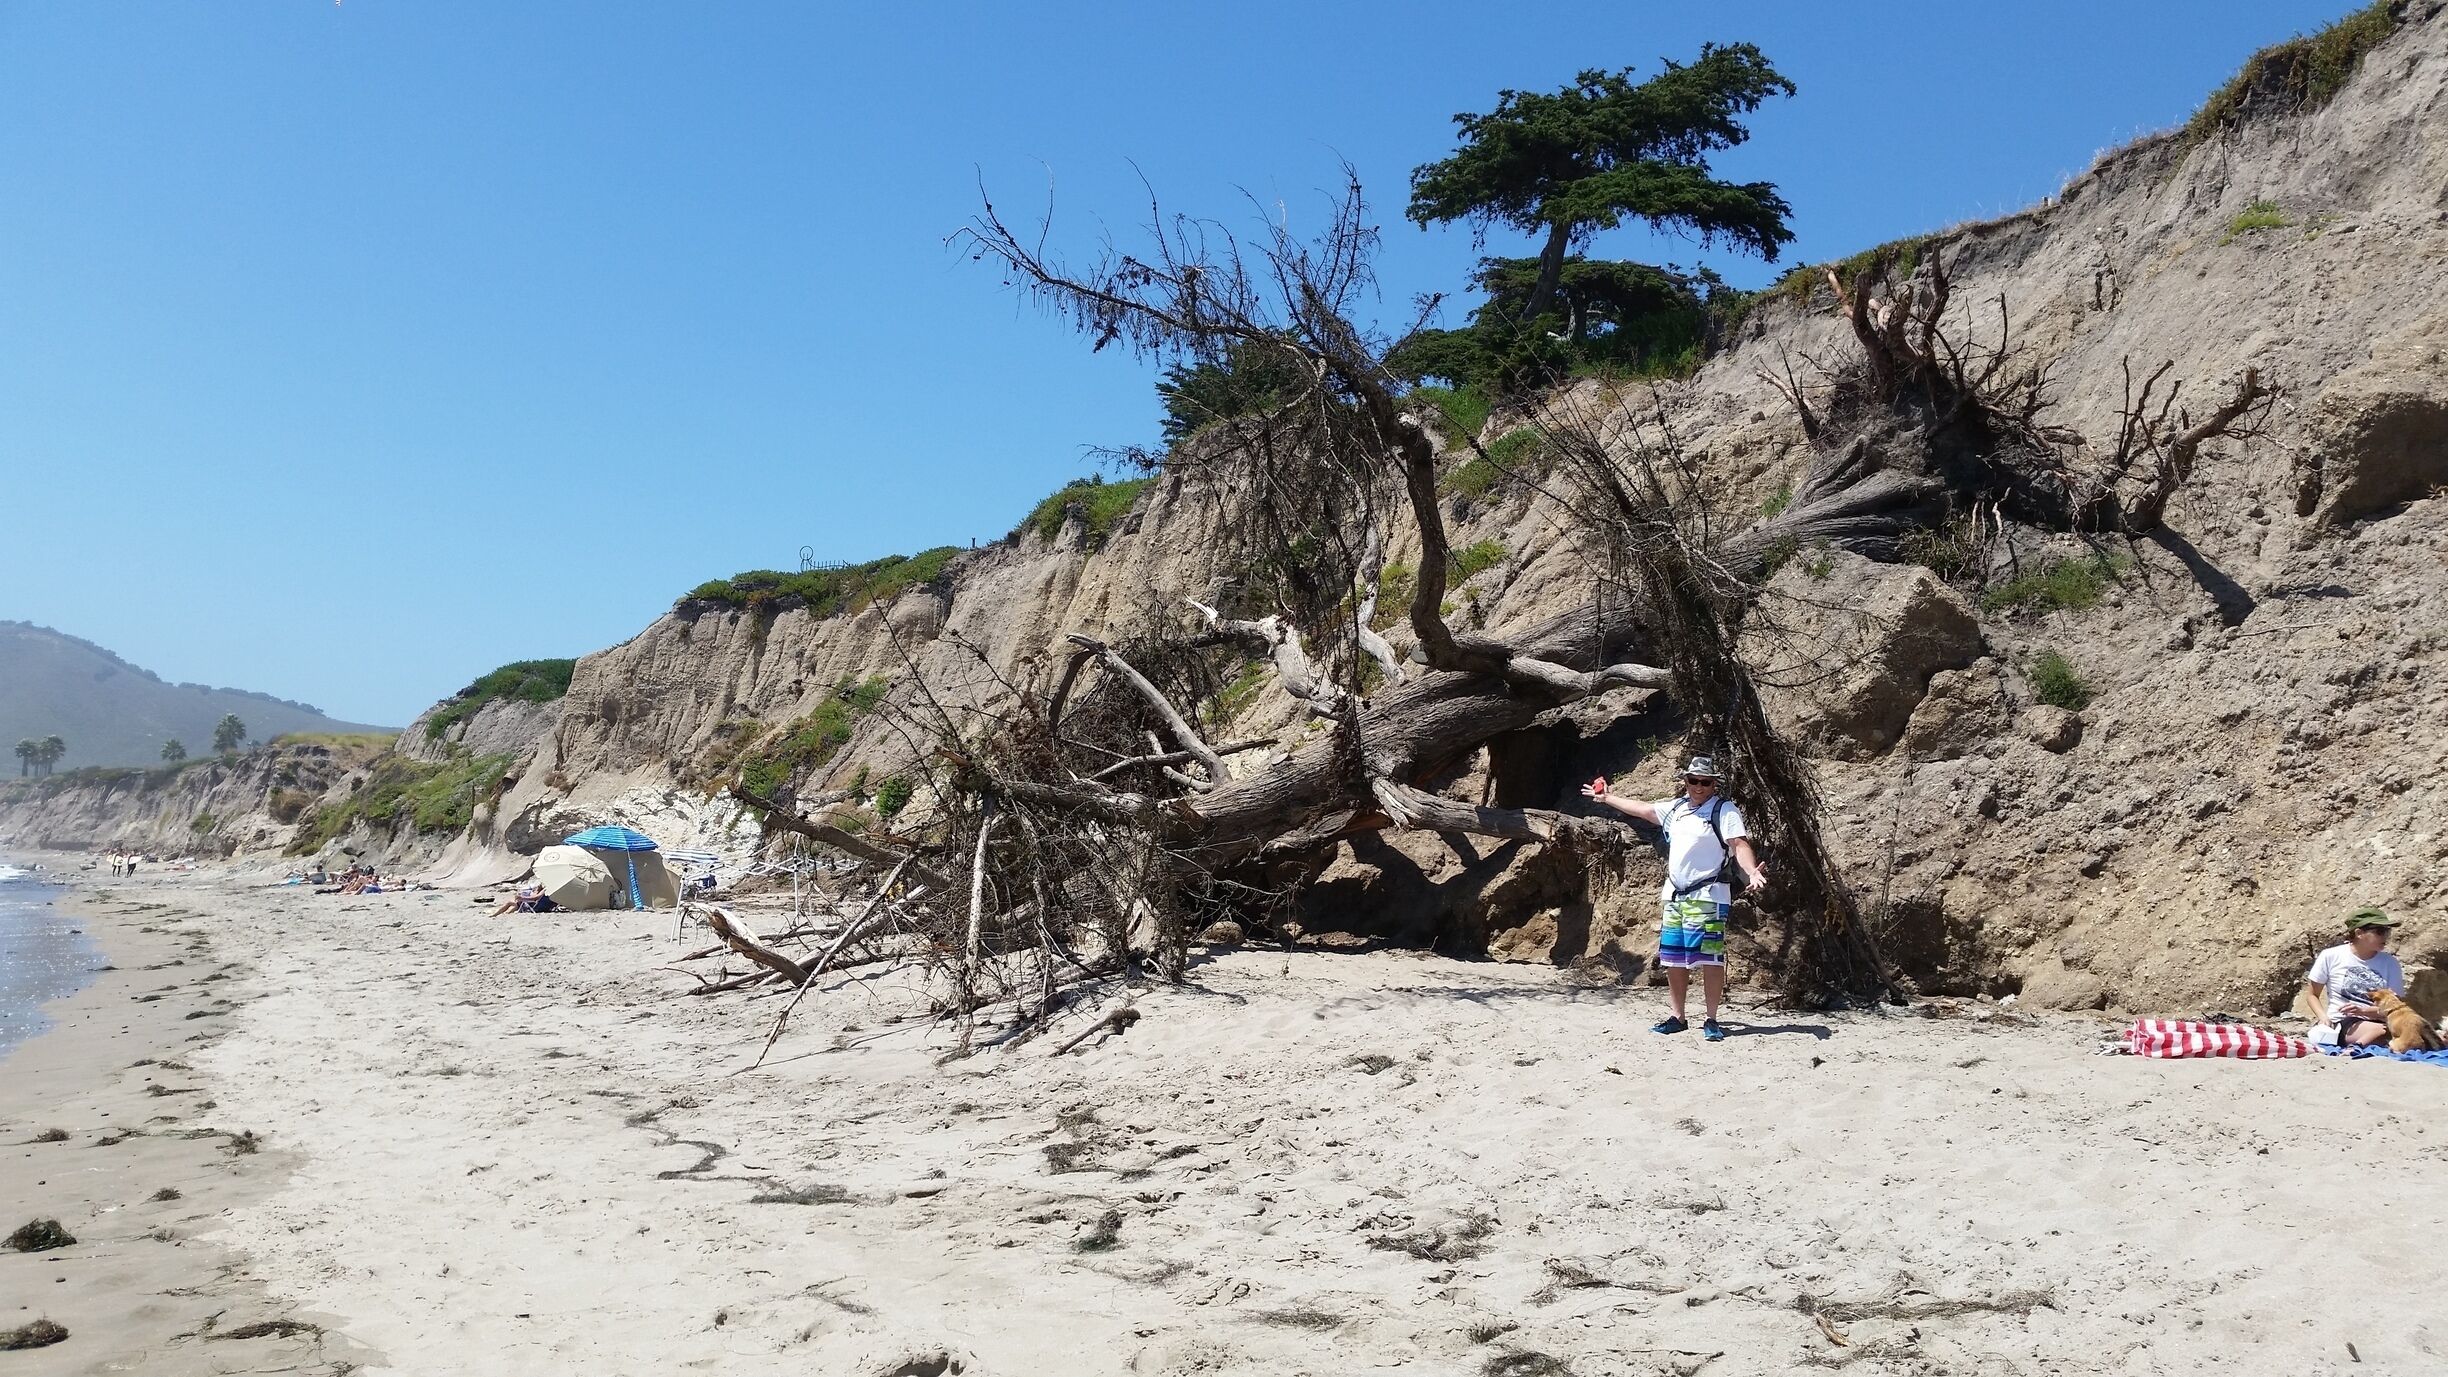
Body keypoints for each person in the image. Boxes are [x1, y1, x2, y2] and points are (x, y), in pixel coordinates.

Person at [1582, 754, 1768, 1042]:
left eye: (1705, 782)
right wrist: (1607, 798)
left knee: (1710, 958)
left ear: (1713, 784)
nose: (1698, 786)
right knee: (1673, 959)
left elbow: (1738, 843)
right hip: (1675, 896)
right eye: (1693, 780)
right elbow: (1644, 810)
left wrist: (1751, 871)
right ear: (1686, 781)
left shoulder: (1724, 810)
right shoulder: (1677, 808)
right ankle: (1678, 1017)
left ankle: (1711, 1019)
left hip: (1708, 896)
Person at [2303, 908, 2407, 1048]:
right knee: (2383, 1032)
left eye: (2387, 932)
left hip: (2383, 1019)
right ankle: (2356, 1048)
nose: (2385, 937)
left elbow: (2395, 1006)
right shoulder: (2331, 956)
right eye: (2380, 932)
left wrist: (2363, 1011)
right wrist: (2323, 1018)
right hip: (2344, 1021)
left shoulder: (2390, 963)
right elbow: (2312, 994)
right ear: (2359, 933)